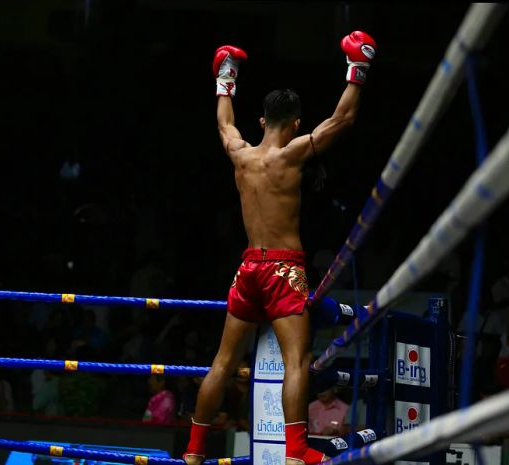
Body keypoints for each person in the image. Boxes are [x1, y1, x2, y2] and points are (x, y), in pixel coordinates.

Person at [183, 31, 376, 465]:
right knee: (297, 362)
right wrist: (358, 69)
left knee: (222, 363)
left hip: (248, 267)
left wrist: (226, 77)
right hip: (283, 271)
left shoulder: (240, 154)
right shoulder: (290, 156)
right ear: (293, 126)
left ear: (261, 122)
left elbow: (223, 123)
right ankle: (294, 454)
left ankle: (193, 452)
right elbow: (342, 120)